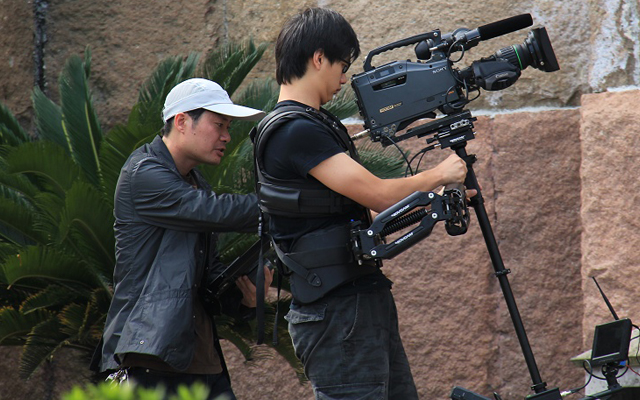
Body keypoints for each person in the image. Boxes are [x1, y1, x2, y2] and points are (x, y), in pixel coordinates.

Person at [252, 7, 470, 399]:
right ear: (319, 58)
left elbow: (357, 214)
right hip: (338, 313)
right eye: (342, 65)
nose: (344, 78)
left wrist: (431, 202)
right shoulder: (295, 130)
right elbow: (378, 194)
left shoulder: (307, 124)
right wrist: (440, 173)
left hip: (354, 305)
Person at [98, 78, 273, 399]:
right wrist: (282, 206)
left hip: (201, 361)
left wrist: (244, 297)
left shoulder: (195, 182)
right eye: (219, 124)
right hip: (151, 358)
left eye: (228, 127)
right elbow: (212, 210)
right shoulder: (144, 173)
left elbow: (204, 278)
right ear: (181, 122)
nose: (226, 136)